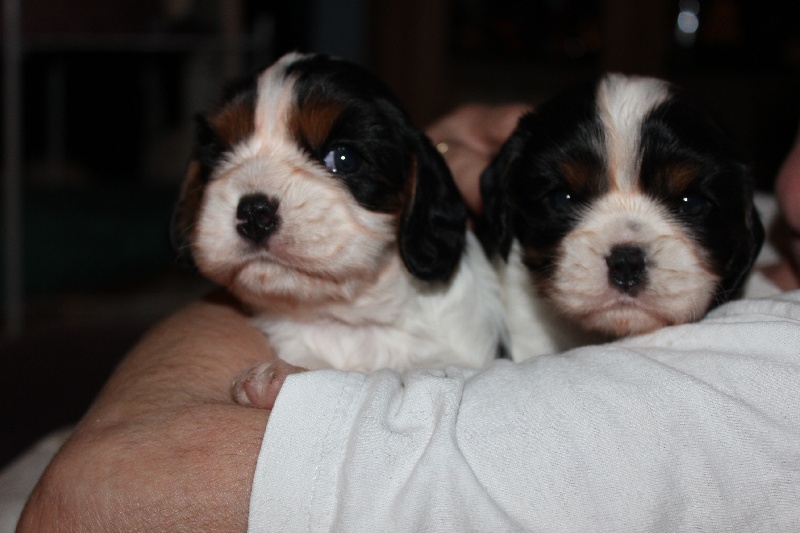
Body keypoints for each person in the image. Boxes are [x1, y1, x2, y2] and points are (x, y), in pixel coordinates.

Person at [15, 106, 800, 532]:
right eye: (565, 197)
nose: (625, 242)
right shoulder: (757, 222)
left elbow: (104, 494)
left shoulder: (761, 385)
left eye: (687, 199)